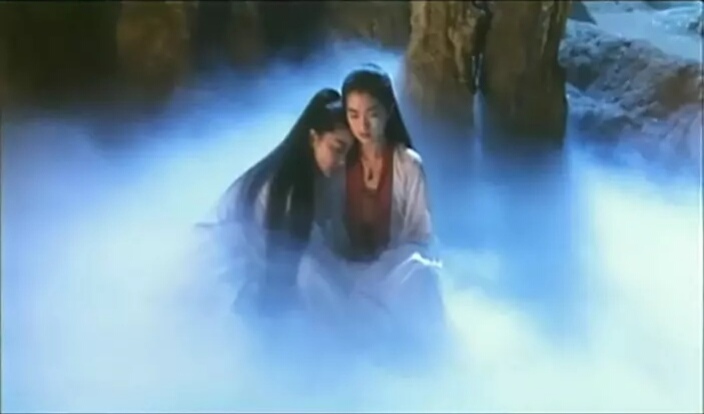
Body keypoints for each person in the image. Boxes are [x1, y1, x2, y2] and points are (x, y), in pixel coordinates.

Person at [297, 64, 446, 351]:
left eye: (372, 114)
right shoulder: (339, 161)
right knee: (306, 268)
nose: (362, 126)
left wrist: (378, 272)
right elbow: (322, 223)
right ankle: (331, 350)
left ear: (388, 112)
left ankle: (419, 352)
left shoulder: (408, 165)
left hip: (392, 274)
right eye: (353, 115)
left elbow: (420, 236)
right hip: (344, 271)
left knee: (420, 271)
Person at [196, 88, 354, 317]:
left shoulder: (310, 177)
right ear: (313, 138)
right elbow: (288, 269)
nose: (343, 162)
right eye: (337, 149)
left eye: (350, 154)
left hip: (244, 275)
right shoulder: (281, 190)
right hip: (216, 278)